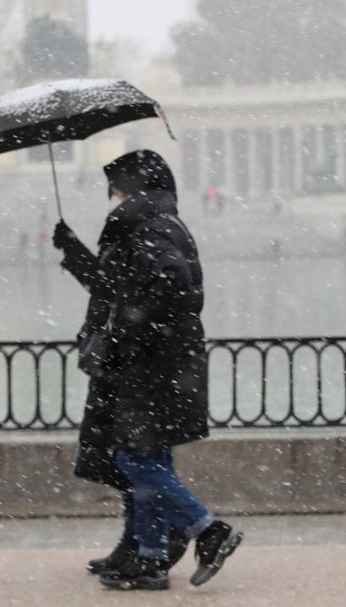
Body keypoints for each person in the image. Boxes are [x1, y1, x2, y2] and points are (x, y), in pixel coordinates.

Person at [52, 149, 242, 591]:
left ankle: (207, 529)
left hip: (151, 366)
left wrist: (126, 331)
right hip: (156, 364)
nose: (114, 201)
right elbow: (113, 284)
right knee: (146, 458)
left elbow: (167, 286)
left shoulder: (151, 229)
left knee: (135, 458)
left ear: (134, 191)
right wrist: (74, 250)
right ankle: (151, 557)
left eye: (117, 192)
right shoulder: (151, 227)